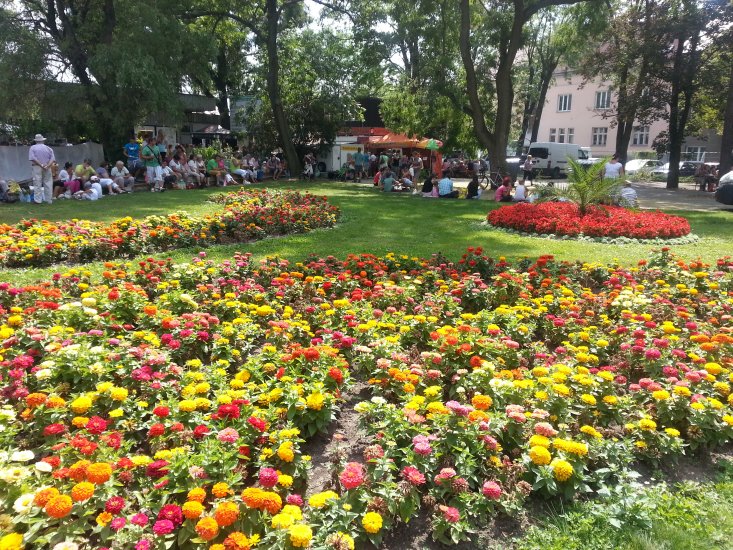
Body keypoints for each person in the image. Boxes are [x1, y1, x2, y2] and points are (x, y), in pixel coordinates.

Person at [28, 134, 55, 204]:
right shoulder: (48, 148)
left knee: (37, 183)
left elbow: (33, 158)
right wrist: (47, 166)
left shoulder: (33, 148)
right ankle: (49, 200)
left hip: (37, 167)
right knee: (48, 182)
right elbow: (52, 159)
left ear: (36, 141)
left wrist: (41, 165)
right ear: (43, 140)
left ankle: (38, 200)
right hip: (47, 167)